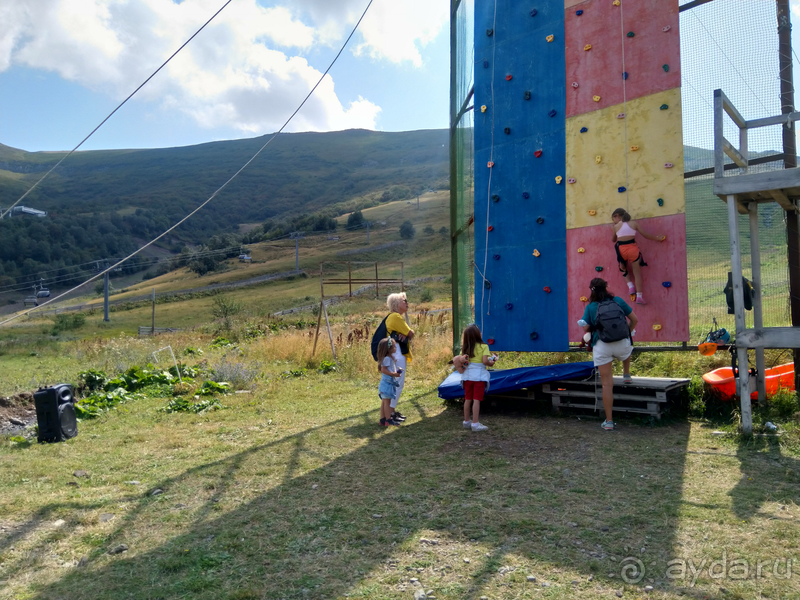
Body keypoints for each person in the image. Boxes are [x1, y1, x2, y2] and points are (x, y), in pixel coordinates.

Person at [580, 278, 639, 431]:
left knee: (607, 384)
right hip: (622, 345)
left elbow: (586, 328)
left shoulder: (591, 307)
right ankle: (627, 375)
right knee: (629, 341)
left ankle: (609, 421)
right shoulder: (618, 300)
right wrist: (627, 332)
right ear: (606, 288)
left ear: (591, 290)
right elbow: (634, 319)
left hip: (602, 346)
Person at [611, 208, 666, 305]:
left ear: (617, 216)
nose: (613, 221)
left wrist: (615, 230)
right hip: (633, 249)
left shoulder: (616, 226)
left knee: (623, 268)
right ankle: (639, 296)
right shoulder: (634, 224)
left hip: (622, 250)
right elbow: (645, 235)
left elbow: (613, 240)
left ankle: (630, 286)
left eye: (613, 218)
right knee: (637, 274)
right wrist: (657, 238)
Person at [459, 324, 497, 432]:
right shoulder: (484, 346)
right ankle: (475, 424)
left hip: (467, 376)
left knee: (467, 399)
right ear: (477, 334)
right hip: (479, 377)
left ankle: (466, 421)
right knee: (477, 400)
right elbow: (485, 361)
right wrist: (493, 361)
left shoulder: (466, 347)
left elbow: (465, 361)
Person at [385, 292, 414, 422]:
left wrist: (406, 335)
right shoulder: (396, 317)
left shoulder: (393, 317)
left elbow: (407, 334)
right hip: (397, 354)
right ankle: (390, 413)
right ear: (397, 304)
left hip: (394, 353)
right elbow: (411, 333)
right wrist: (407, 335)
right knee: (397, 383)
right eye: (404, 301)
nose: (407, 303)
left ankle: (392, 411)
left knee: (396, 383)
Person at [376, 337, 403, 427]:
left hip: (385, 383)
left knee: (384, 401)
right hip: (387, 383)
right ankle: (388, 419)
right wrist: (394, 374)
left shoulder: (387, 358)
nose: (395, 348)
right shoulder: (387, 359)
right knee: (387, 402)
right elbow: (384, 370)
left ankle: (382, 419)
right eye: (394, 346)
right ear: (389, 349)